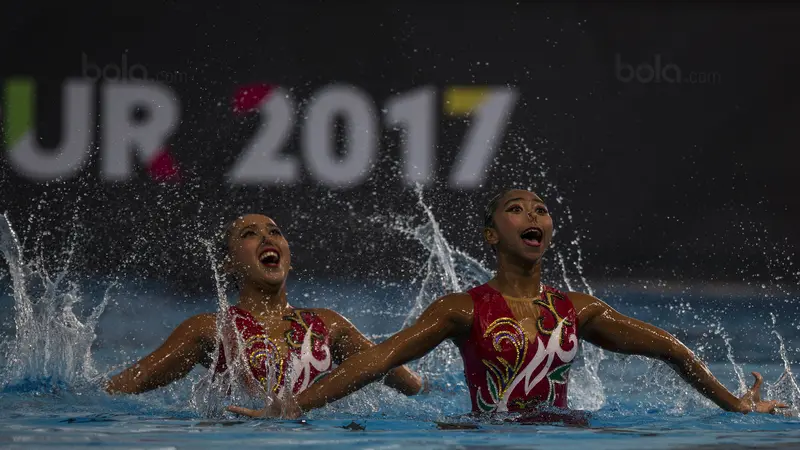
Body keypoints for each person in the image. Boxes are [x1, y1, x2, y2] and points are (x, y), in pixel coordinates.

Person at [227, 189, 788, 420]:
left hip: (564, 431)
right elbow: (378, 360)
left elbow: (670, 349)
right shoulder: (460, 310)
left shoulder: (579, 310)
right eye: (517, 209)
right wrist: (293, 406)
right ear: (492, 235)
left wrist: (734, 407)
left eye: (541, 209)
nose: (534, 216)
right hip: (485, 434)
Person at [105, 214, 423, 402]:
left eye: (274, 232)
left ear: (288, 255)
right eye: (249, 234)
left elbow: (410, 385)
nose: (266, 238)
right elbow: (123, 387)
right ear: (229, 264)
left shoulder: (328, 325)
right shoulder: (209, 329)